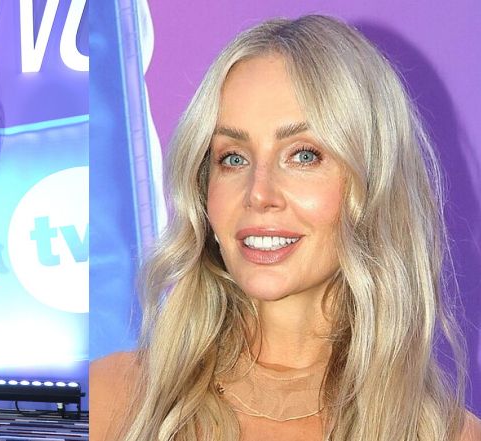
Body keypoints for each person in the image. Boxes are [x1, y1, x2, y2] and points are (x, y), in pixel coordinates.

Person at [91, 15, 481, 441]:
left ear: (372, 185)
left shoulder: (445, 433)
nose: (259, 193)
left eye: (303, 156)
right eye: (233, 158)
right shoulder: (111, 401)